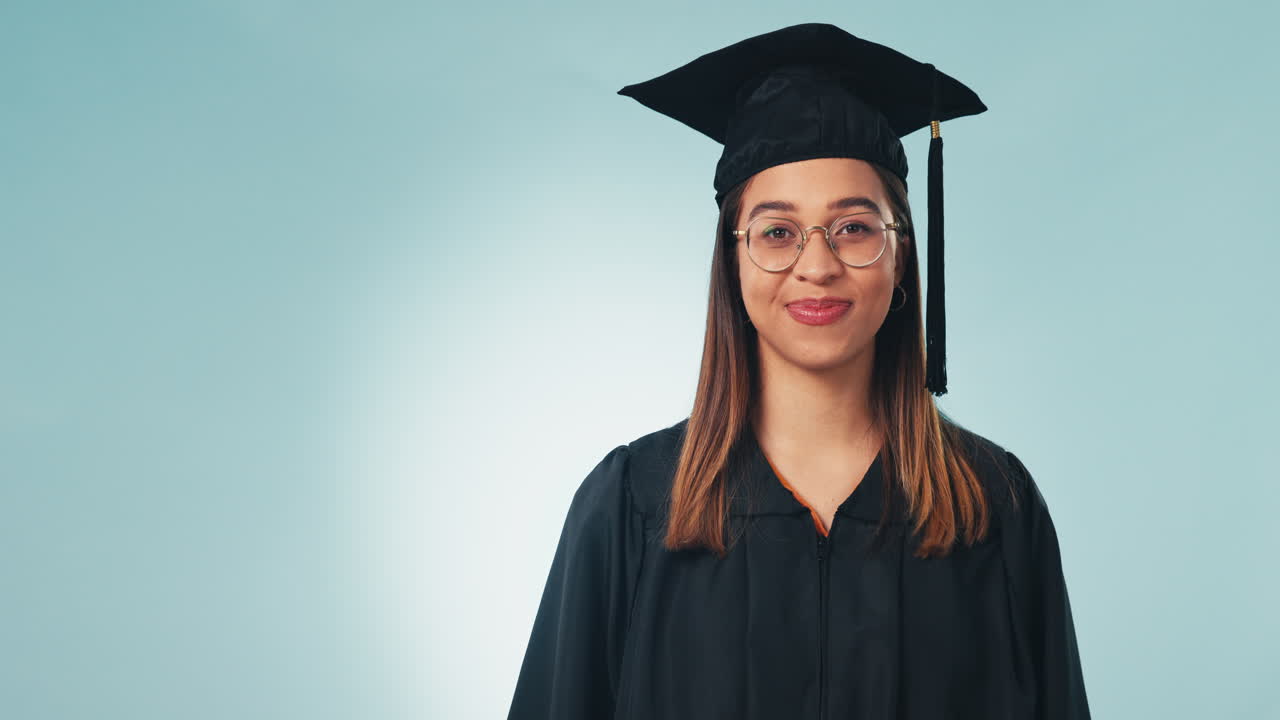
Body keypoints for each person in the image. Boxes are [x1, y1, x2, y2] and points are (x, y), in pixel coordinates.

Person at [506, 22, 1091, 720]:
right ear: (732, 259)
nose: (817, 266)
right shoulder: (632, 507)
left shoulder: (993, 507)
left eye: (854, 227)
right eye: (777, 232)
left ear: (901, 255)